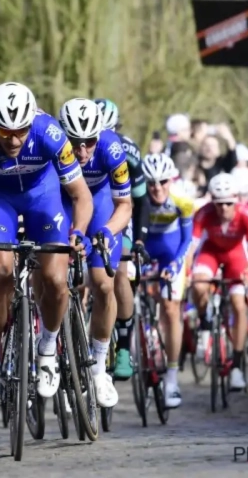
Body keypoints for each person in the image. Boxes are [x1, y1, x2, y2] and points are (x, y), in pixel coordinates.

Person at [0, 82, 93, 406]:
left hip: (43, 199)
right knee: (0, 274)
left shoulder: (50, 133)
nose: (15, 140)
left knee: (55, 278)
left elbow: (81, 195)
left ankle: (47, 348)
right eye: (5, 133)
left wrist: (79, 231)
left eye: (21, 131)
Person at [58, 98, 131, 408]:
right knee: (52, 275)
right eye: (76, 143)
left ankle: (100, 368)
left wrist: (106, 231)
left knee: (103, 283)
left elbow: (125, 205)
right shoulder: (53, 146)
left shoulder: (112, 149)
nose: (83, 150)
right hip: (62, 199)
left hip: (101, 203)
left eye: (90, 141)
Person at [94, 98, 151, 383]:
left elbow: (141, 201)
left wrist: (138, 239)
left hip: (120, 212)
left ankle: (125, 348)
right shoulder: (77, 146)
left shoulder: (127, 151)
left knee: (119, 271)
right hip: (88, 210)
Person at [189, 172, 248, 391]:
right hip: (211, 253)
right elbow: (191, 249)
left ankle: (237, 366)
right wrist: (186, 274)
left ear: (236, 199)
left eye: (228, 203)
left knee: (239, 304)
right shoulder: (203, 214)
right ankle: (204, 322)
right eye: (218, 204)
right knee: (199, 283)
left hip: (236, 256)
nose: (223, 209)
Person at [138, 153, 194, 408]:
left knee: (172, 309)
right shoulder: (138, 201)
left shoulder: (183, 201)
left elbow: (186, 241)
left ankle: (172, 378)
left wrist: (174, 265)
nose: (157, 188)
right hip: (147, 254)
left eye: (162, 182)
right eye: (151, 183)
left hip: (172, 255)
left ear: (171, 181)